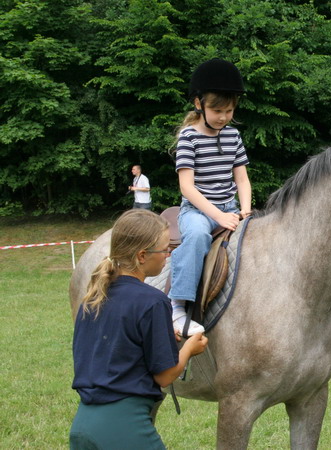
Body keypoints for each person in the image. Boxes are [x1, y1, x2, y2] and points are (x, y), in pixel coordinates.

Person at [70, 209, 208, 449]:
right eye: (165, 249)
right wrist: (188, 349)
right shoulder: (152, 301)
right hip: (123, 429)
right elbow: (164, 376)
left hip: (82, 427)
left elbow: (119, 346)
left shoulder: (92, 299)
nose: (169, 255)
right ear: (142, 255)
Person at [168, 58, 252, 336]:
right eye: (217, 110)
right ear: (198, 104)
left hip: (231, 207)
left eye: (229, 110)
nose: (224, 117)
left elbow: (241, 178)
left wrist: (247, 210)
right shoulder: (188, 138)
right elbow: (187, 188)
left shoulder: (233, 136)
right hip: (198, 210)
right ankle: (177, 306)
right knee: (197, 237)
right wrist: (217, 216)